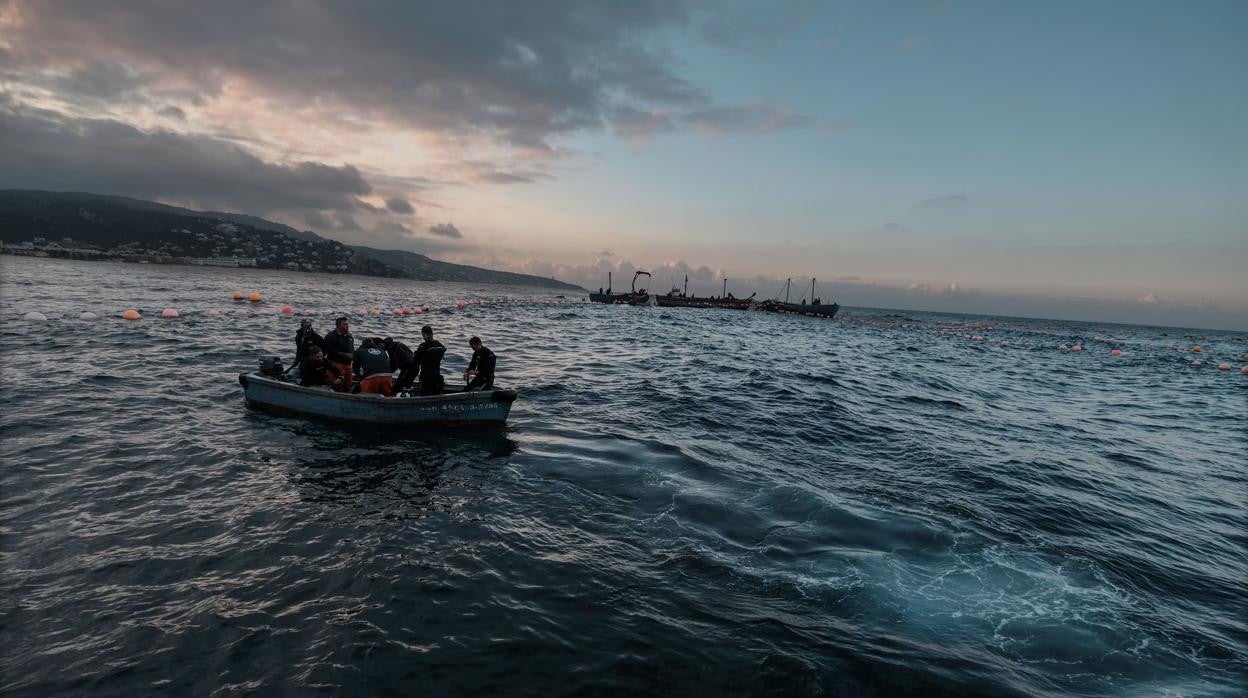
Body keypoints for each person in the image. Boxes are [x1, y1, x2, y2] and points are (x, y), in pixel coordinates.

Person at [322, 316, 355, 391]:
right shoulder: (330, 337)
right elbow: (329, 351)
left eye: (347, 324)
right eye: (345, 324)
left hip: (348, 364)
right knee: (338, 384)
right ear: (338, 326)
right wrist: (344, 354)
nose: (347, 326)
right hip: (336, 364)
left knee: (348, 385)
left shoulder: (350, 336)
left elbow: (352, 349)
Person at [413, 325, 446, 395]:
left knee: (424, 395)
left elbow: (416, 361)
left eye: (423, 335)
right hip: (436, 376)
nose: (423, 337)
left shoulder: (422, 346)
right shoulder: (439, 345)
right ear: (432, 334)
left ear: (425, 334)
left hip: (426, 377)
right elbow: (443, 350)